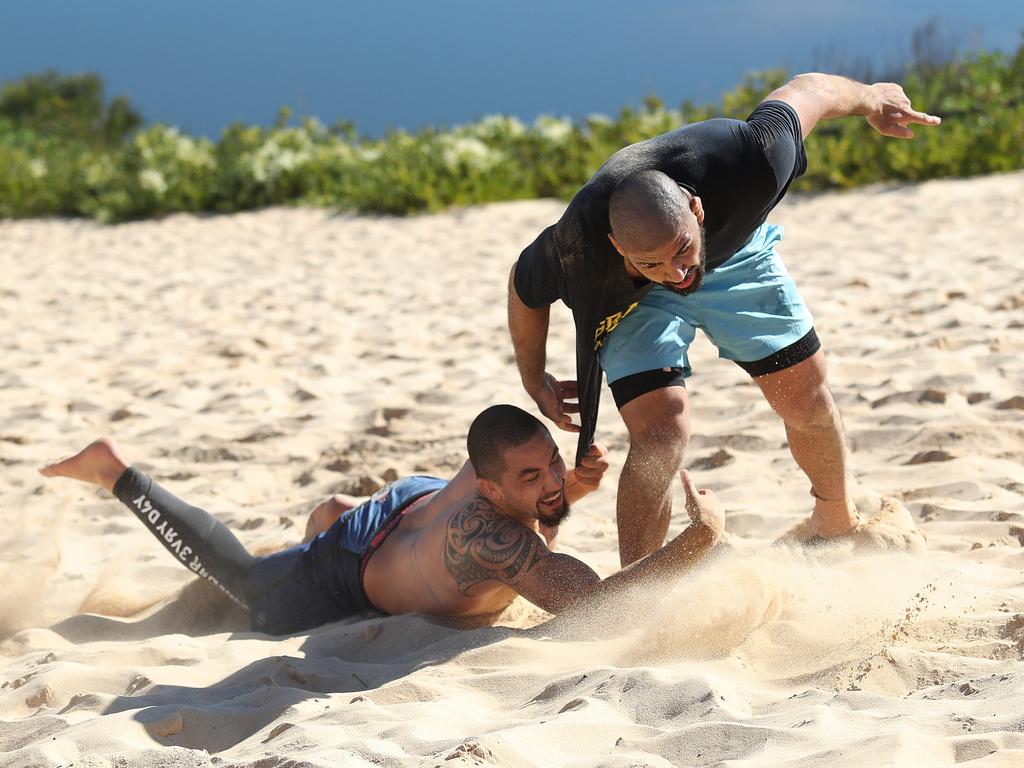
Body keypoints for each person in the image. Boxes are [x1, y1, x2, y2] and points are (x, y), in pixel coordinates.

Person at [507, 73, 941, 566]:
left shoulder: (750, 159)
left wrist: (871, 99)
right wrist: (532, 377)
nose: (676, 273)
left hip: (732, 253)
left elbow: (809, 90)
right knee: (661, 431)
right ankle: (636, 589)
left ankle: (835, 522)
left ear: (696, 208)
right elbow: (523, 288)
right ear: (616, 246)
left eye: (680, 251)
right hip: (629, 296)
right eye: (655, 263)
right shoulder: (576, 251)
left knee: (805, 394)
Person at [39, 405, 724, 635]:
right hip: (354, 565)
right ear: (488, 484)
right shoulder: (491, 540)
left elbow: (526, 489)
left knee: (337, 512)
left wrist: (560, 487)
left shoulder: (496, 449)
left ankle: (329, 519)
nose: (550, 480)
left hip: (413, 502)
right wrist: (702, 539)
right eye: (531, 476)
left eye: (553, 462)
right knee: (248, 584)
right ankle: (116, 472)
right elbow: (589, 605)